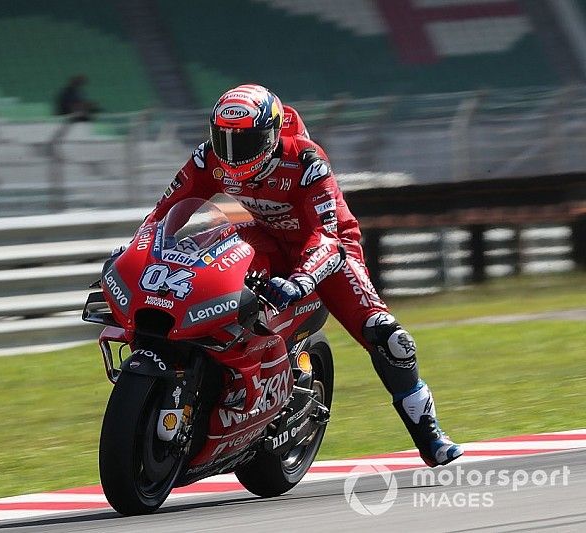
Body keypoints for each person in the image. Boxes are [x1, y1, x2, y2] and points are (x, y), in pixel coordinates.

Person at [141, 84, 463, 467]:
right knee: (202, 272)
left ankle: (429, 435)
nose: (231, 153)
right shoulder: (207, 158)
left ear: (273, 134)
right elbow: (164, 212)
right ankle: (216, 381)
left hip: (328, 250)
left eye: (244, 142)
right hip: (264, 237)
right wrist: (142, 253)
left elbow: (326, 234)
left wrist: (303, 279)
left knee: (389, 337)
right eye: (223, 139)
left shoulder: (308, 161)